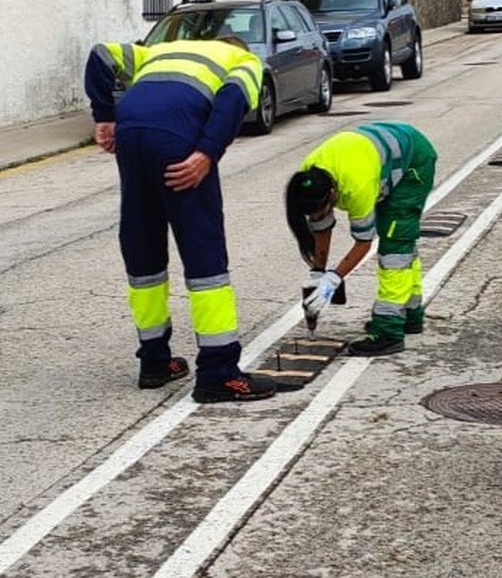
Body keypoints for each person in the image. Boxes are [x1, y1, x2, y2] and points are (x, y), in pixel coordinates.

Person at [85, 36, 278, 404]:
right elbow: (232, 99)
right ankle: (219, 373)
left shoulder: (161, 51)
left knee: (143, 249)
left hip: (132, 136)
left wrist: (104, 115)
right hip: (178, 140)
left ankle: (155, 363)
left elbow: (100, 54)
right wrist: (206, 153)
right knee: (204, 256)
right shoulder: (244, 60)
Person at [285, 122, 437, 357]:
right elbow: (322, 227)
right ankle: (410, 314)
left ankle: (389, 331)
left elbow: (364, 242)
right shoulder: (308, 178)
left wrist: (333, 279)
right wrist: (318, 273)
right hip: (375, 157)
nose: (316, 217)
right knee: (402, 250)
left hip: (412, 165)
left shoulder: (357, 187)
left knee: (395, 249)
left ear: (333, 194)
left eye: (320, 210)